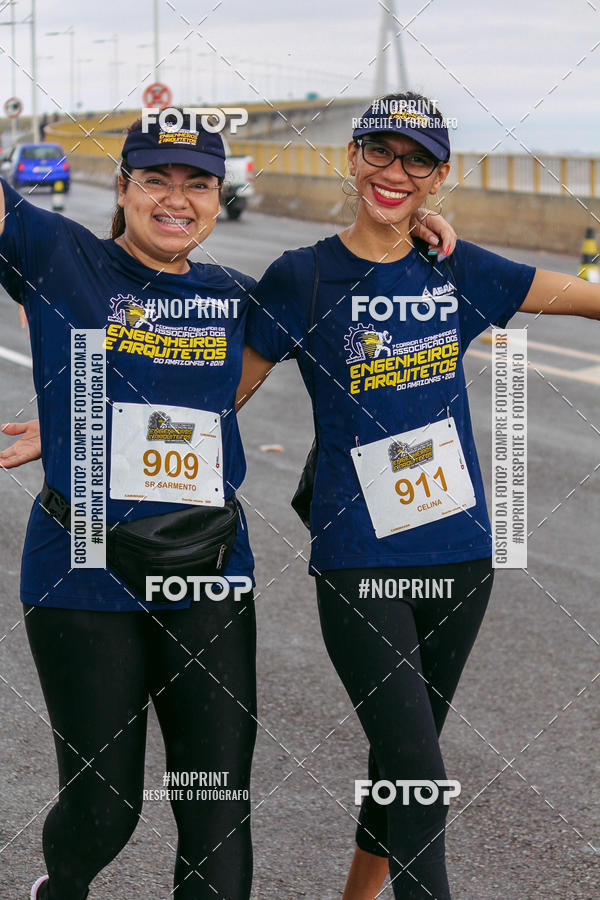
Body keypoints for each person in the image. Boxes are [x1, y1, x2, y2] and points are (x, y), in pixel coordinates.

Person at [0, 109, 455, 898]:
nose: (177, 199)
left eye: (198, 184)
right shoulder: (58, 253)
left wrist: (411, 218)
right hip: (82, 570)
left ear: (217, 198)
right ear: (124, 188)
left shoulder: (244, 296)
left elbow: (357, 290)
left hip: (209, 572)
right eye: (157, 180)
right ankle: (60, 886)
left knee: (216, 811)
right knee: (105, 811)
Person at [233, 92, 600, 898]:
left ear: (439, 176)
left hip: (462, 557)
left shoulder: (459, 268)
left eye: (417, 160)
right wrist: (76, 422)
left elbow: (587, 296)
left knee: (402, 760)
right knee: (421, 775)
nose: (395, 174)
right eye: (381, 153)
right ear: (353, 157)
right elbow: (218, 397)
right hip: (360, 561)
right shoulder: (304, 276)